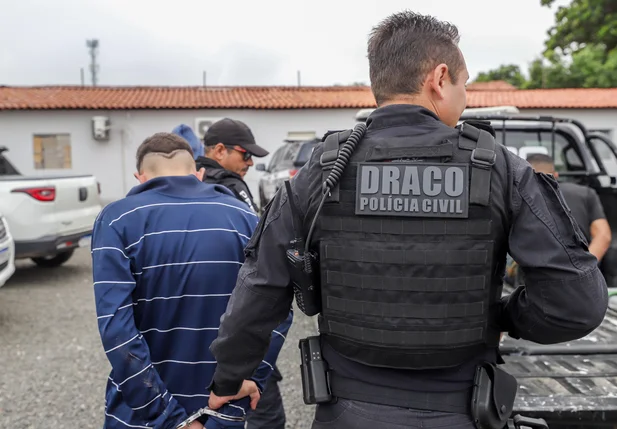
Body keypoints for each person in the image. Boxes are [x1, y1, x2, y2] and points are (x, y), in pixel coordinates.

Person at [206, 10, 608, 429]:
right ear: (438, 79)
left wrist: (229, 377)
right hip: (462, 412)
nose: (465, 97)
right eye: (464, 84)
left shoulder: (320, 171)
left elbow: (259, 289)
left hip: (346, 412)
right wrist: (502, 316)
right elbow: (576, 306)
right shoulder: (501, 170)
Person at [91, 132, 290, 429]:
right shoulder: (243, 217)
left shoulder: (117, 220)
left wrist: (170, 418)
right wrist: (249, 378)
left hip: (141, 416)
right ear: (199, 174)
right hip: (222, 410)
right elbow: (278, 307)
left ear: (139, 177)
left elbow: (117, 330)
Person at [195, 118, 289, 429]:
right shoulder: (230, 188)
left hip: (201, 326)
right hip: (236, 322)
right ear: (219, 151)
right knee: (264, 412)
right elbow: (259, 257)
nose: (249, 163)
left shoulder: (191, 183)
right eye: (244, 154)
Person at [526, 153, 612, 261]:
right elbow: (603, 236)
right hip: (578, 269)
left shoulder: (517, 197)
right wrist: (586, 266)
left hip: (535, 270)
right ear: (556, 175)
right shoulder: (584, 193)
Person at [195, 118, 268, 213]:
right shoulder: (231, 185)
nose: (251, 162)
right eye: (246, 155)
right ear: (219, 151)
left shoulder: (187, 178)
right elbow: (255, 225)